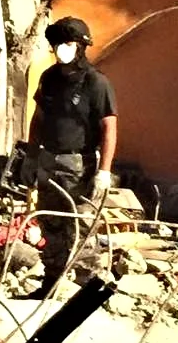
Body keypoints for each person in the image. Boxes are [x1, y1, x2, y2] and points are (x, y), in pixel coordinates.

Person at [26, 15, 118, 290]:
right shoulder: (49, 78)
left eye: (67, 43)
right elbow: (38, 118)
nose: (61, 49)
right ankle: (50, 285)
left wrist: (104, 172)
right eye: (57, 44)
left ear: (80, 46)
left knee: (80, 229)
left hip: (79, 164)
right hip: (48, 160)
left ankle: (87, 291)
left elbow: (109, 128)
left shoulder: (96, 82)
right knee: (50, 224)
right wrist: (31, 155)